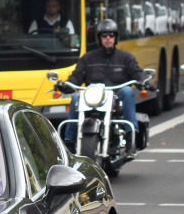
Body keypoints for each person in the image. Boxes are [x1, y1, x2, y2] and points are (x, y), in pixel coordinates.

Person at [58, 19, 147, 154]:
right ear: (99, 38)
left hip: (116, 100)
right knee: (76, 97)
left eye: (111, 35)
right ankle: (69, 141)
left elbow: (137, 73)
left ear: (116, 37)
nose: (108, 38)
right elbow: (76, 76)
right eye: (104, 36)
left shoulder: (126, 58)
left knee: (128, 90)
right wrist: (65, 85)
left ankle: (131, 136)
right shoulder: (88, 58)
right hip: (92, 100)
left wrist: (144, 81)